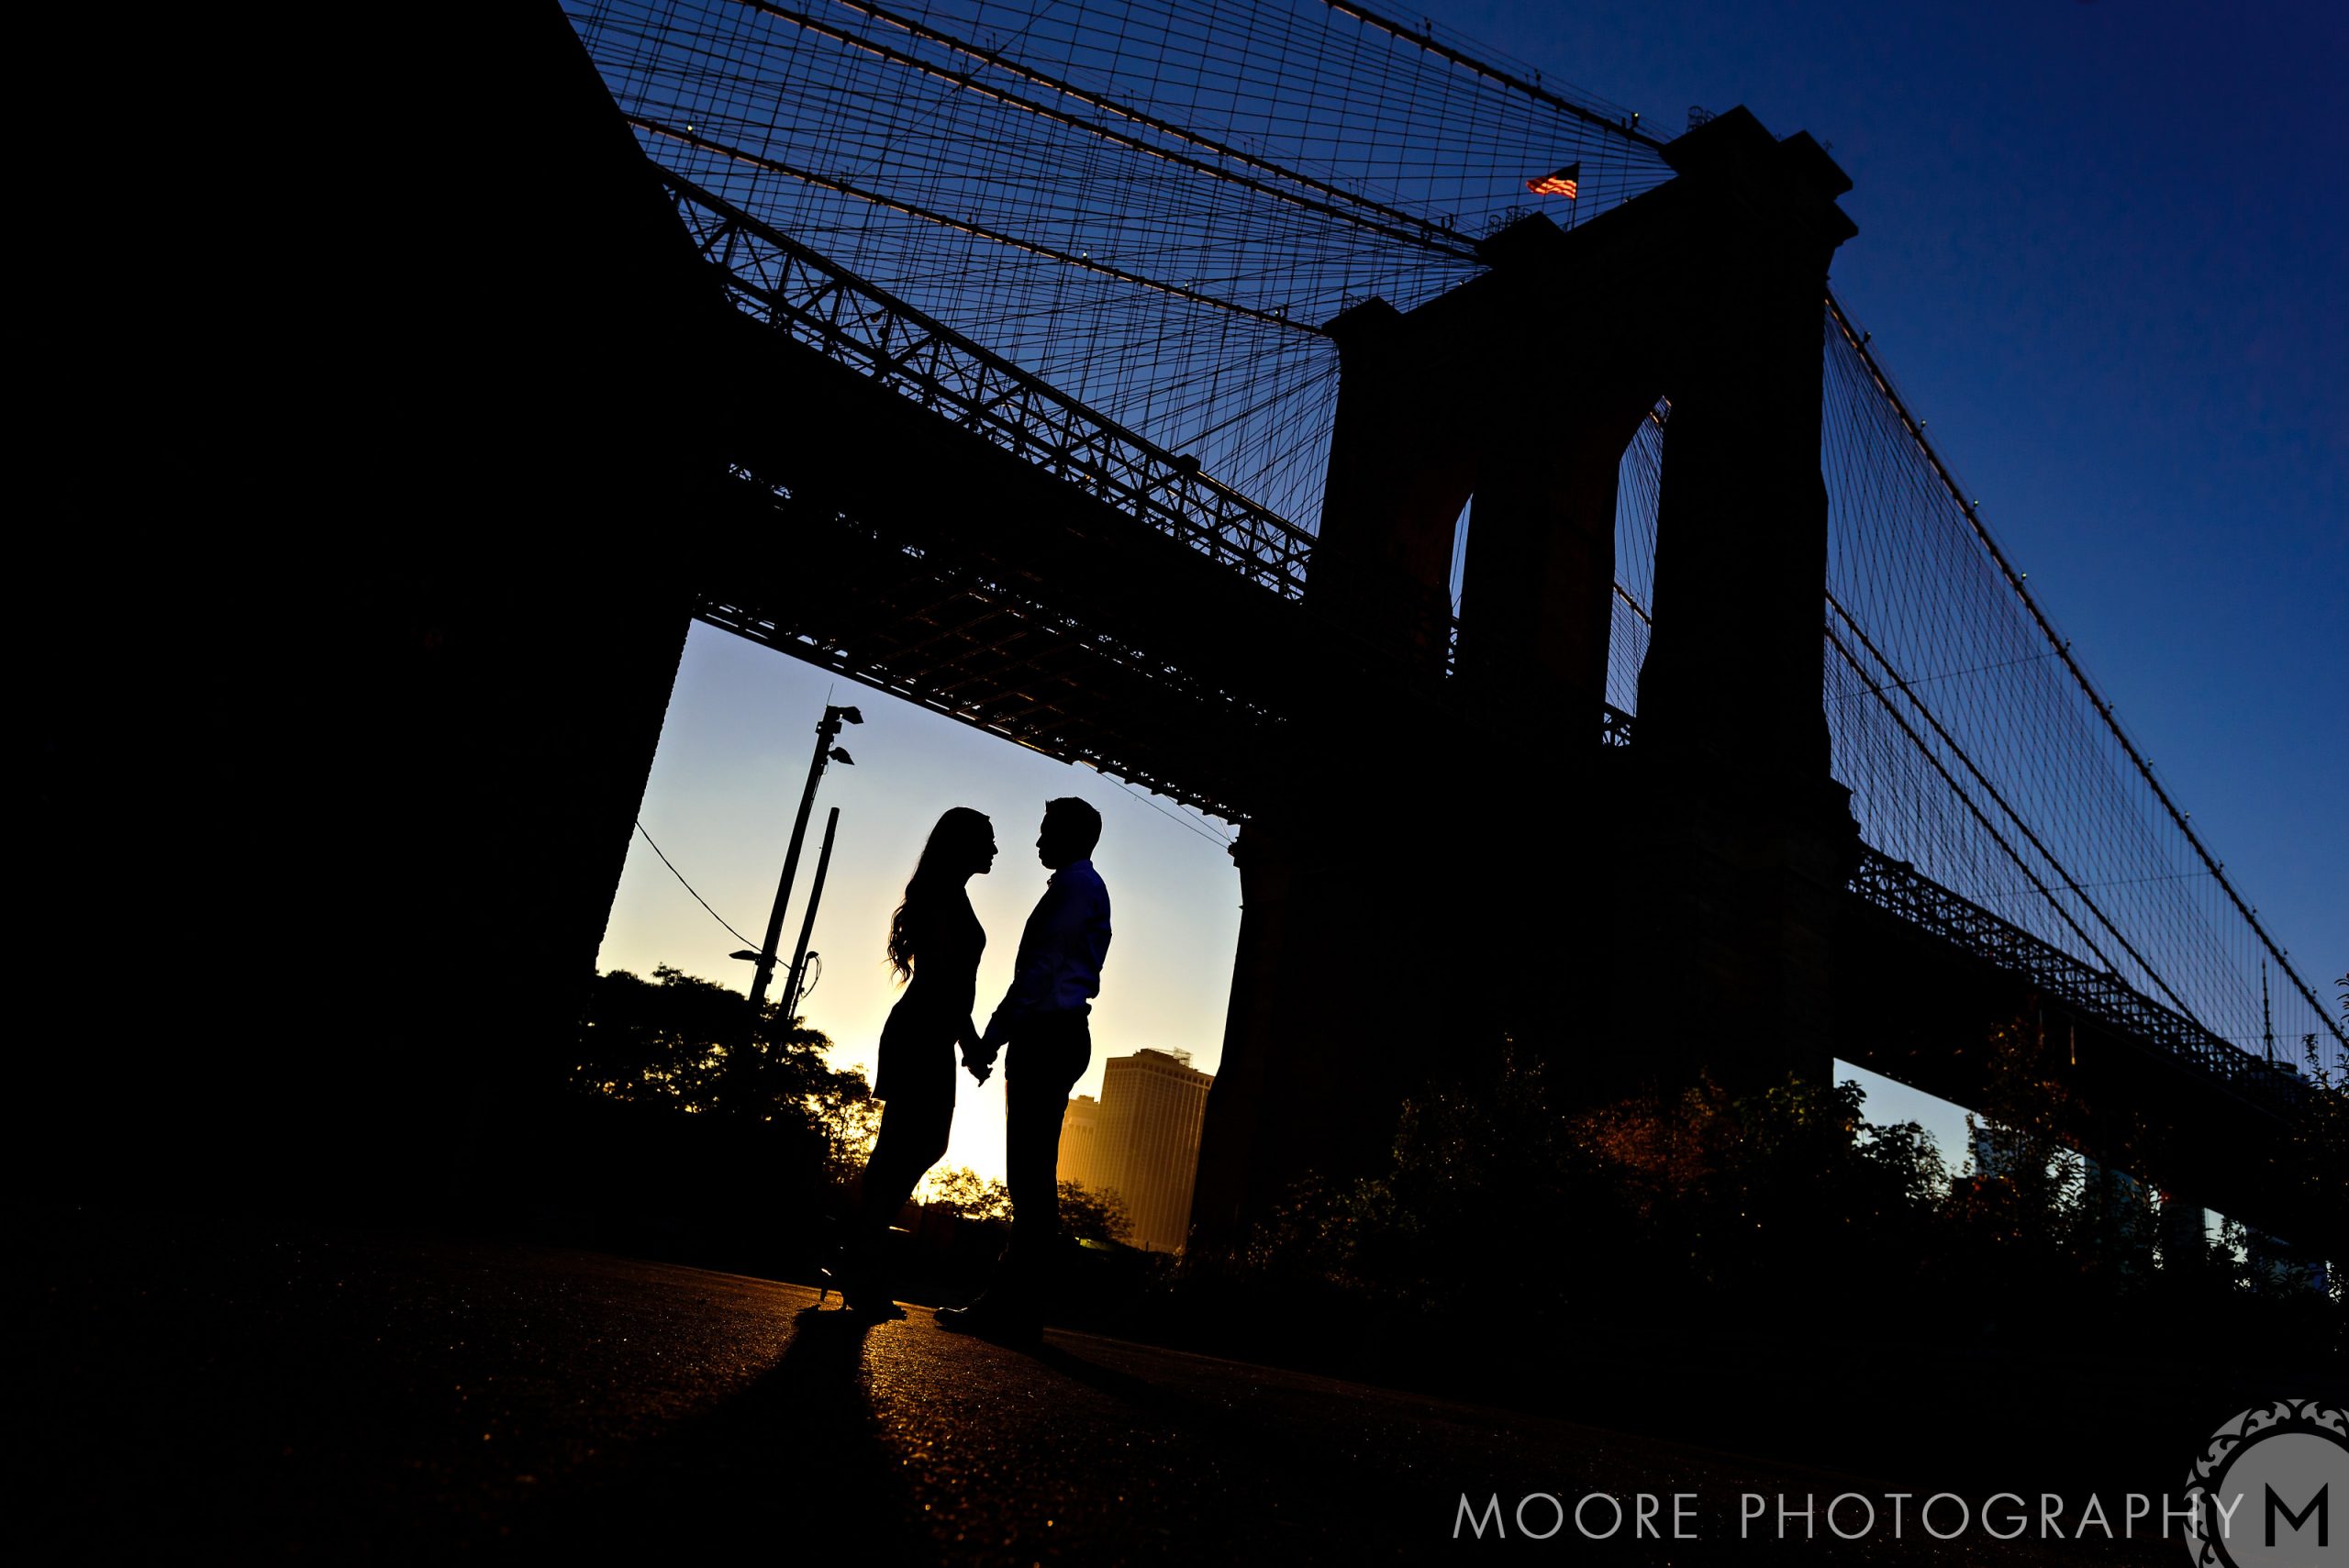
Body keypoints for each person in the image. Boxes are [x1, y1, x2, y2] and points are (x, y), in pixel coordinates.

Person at [937, 797, 1110, 1340]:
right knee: (1033, 1176)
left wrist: (990, 1036)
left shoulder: (1073, 890)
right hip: (1058, 1033)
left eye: (1045, 832)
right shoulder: (1081, 887)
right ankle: (1020, 1307)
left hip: (1047, 1034)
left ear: (1071, 835)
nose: (1036, 843)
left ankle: (1012, 1307)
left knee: (1029, 1178)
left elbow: (1038, 974)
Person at [835, 806, 996, 1315]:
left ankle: (859, 1254)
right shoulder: (944, 895)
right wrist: (970, 1041)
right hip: (925, 1030)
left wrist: (964, 1040)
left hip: (931, 1031)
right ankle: (861, 1259)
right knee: (911, 1143)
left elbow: (950, 983)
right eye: (987, 840)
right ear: (963, 844)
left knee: (908, 1145)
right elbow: (946, 979)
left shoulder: (951, 893)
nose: (995, 850)